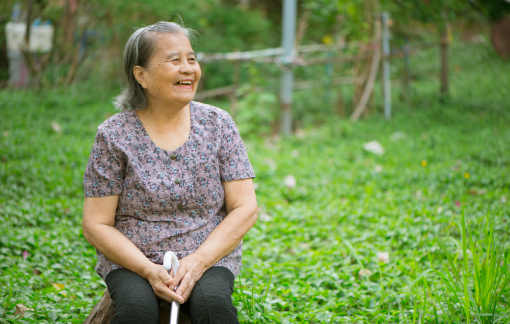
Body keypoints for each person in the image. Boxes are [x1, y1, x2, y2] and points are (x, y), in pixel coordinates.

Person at [82, 21, 257, 324]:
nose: (188, 68)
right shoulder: (114, 134)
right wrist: (148, 269)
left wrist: (199, 261)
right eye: (174, 60)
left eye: (191, 59)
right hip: (134, 259)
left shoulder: (218, 124)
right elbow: (96, 223)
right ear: (142, 75)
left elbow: (245, 207)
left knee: (213, 307)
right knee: (136, 311)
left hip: (207, 253)